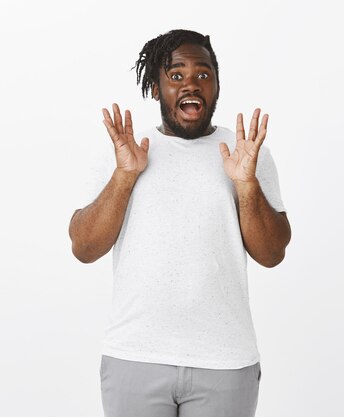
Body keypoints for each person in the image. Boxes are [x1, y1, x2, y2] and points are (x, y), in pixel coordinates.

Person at [68, 29, 291, 417]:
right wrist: (125, 175)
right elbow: (84, 248)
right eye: (176, 75)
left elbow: (272, 254)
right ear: (156, 88)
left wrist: (246, 184)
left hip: (225, 360)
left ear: (217, 86)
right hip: (135, 357)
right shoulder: (125, 151)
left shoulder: (247, 155)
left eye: (203, 75)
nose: (191, 83)